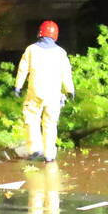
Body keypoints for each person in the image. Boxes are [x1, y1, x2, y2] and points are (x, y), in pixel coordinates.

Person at [14, 20, 75, 162]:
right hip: (54, 95)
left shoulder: (31, 50)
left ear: (40, 33)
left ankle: (35, 149)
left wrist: (18, 86)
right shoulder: (61, 53)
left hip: (35, 92)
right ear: (55, 36)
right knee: (50, 123)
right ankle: (49, 154)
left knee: (31, 119)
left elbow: (23, 69)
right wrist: (70, 90)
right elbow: (66, 73)